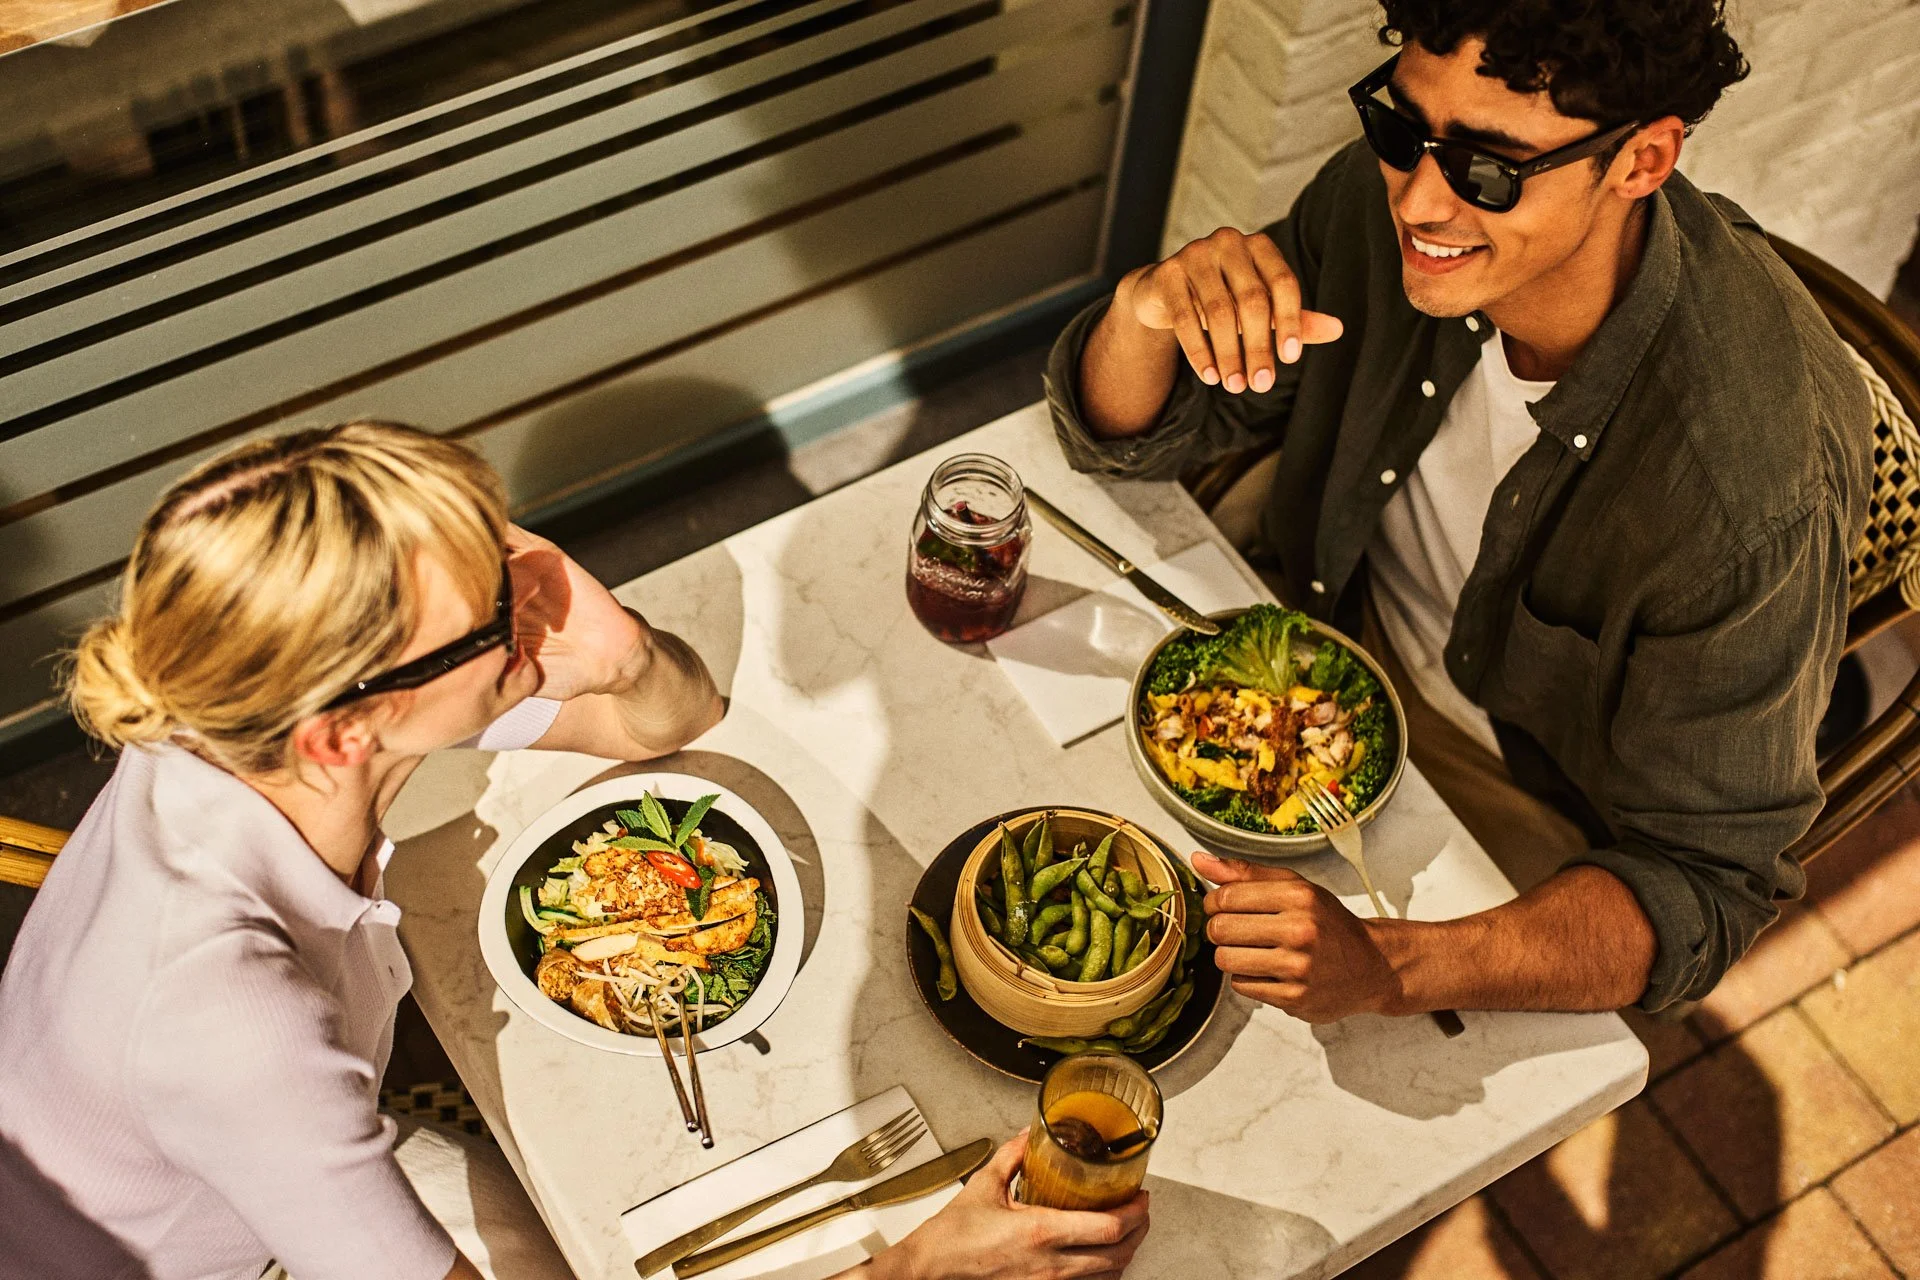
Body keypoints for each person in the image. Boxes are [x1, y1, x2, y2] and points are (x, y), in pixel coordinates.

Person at [0, 422, 1148, 1280]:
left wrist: (611, 647)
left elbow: (667, 717)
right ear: (344, 729)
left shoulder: (244, 706)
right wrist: (918, 1265)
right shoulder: (232, 1023)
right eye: (494, 612)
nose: (529, 603)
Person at [1048, 0, 1872, 1021]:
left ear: (1643, 161)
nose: (1421, 203)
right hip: (1318, 627)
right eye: (1402, 130)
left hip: (1518, 791)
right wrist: (1146, 312)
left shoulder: (1745, 495)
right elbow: (1131, 435)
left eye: (1490, 168)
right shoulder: (1382, 198)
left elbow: (1701, 886)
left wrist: (1393, 969)